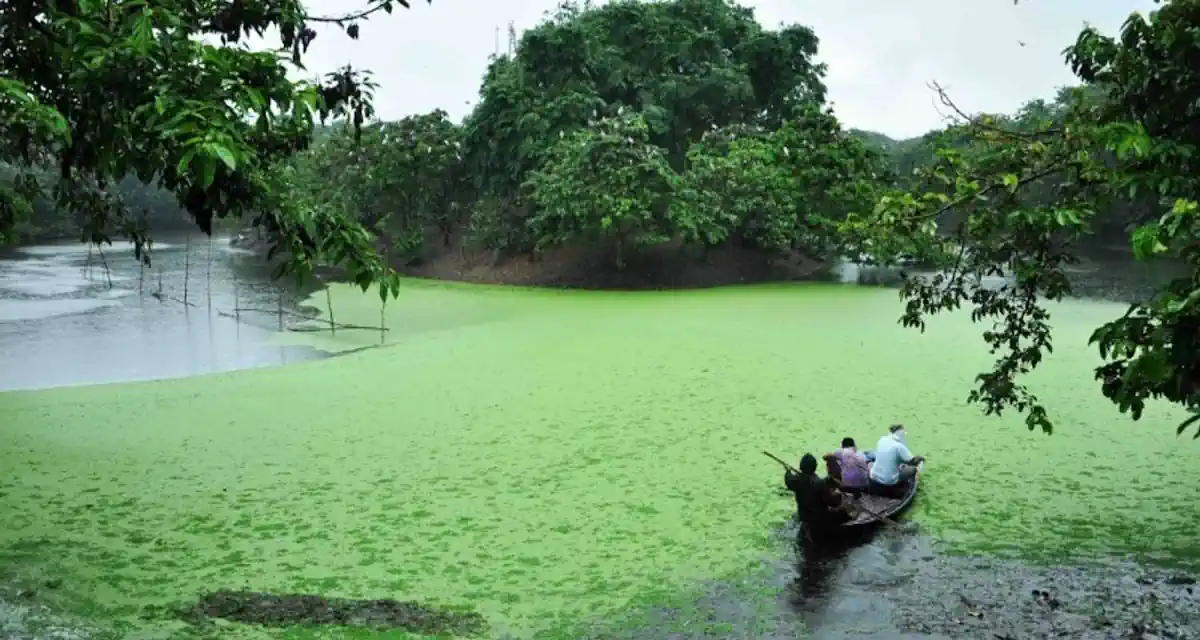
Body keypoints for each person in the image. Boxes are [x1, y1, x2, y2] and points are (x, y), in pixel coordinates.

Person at [785, 453, 852, 537]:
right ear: (815, 467)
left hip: (805, 517)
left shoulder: (796, 480)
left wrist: (788, 471)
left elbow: (788, 480)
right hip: (820, 518)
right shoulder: (820, 483)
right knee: (845, 512)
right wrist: (838, 494)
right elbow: (833, 503)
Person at [868, 424, 924, 498]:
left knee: (873, 464)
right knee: (912, 469)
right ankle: (899, 486)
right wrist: (920, 458)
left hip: (873, 476)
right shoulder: (899, 446)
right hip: (888, 481)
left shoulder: (882, 439)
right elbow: (912, 462)